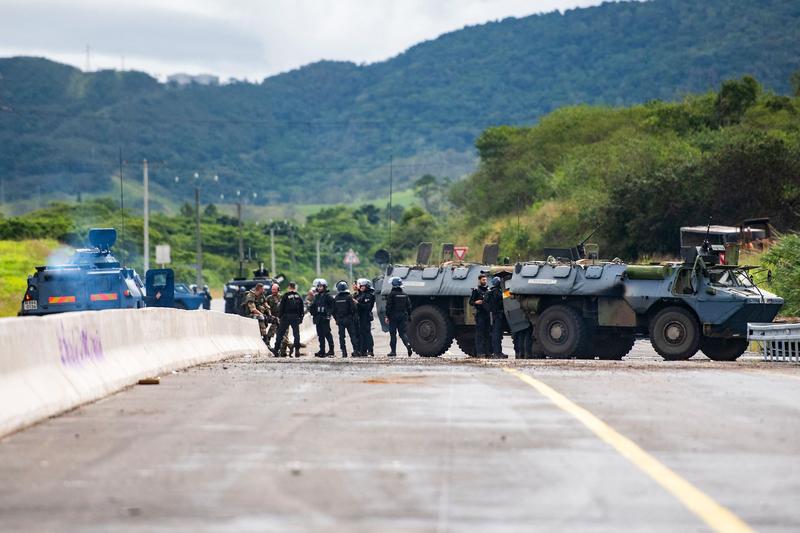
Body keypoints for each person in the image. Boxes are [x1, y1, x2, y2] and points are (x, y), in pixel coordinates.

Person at [271, 281, 305, 357]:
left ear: (289, 287)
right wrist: (301, 318)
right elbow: (302, 308)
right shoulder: (298, 296)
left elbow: (281, 307)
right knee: (296, 334)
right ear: (295, 287)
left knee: (280, 334)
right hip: (295, 317)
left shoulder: (286, 295)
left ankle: (276, 350)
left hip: (286, 317)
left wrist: (280, 317)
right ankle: (297, 351)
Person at [384, 277, 413, 357]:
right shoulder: (404, 295)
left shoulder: (391, 295)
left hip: (393, 316)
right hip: (403, 316)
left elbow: (388, 307)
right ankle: (408, 344)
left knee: (393, 334)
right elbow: (409, 306)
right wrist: (410, 316)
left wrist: (387, 316)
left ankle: (393, 352)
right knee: (403, 333)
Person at [333, 280, 360, 357]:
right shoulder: (349, 297)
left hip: (340, 320)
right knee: (353, 336)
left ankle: (344, 353)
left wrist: (336, 319)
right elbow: (354, 309)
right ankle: (356, 351)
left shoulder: (336, 298)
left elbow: (334, 311)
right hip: (349, 319)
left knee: (342, 337)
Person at [311, 279, 335, 357]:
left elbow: (333, 307)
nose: (319, 288)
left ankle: (331, 350)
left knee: (327, 334)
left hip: (325, 318)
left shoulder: (328, 296)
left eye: (321, 286)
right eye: (318, 286)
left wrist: (329, 315)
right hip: (318, 318)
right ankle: (322, 351)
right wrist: (313, 314)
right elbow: (313, 306)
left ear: (324, 287)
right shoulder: (316, 296)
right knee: (320, 335)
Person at [469, 273, 491, 357]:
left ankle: (487, 352)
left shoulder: (489, 290)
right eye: (483, 280)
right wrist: (476, 302)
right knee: (480, 334)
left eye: (485, 280)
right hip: (480, 314)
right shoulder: (476, 291)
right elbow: (470, 302)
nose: (485, 281)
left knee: (487, 333)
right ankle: (480, 352)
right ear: (480, 280)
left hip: (487, 314)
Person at [266, 283, 290, 357]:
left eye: (275, 289)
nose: (273, 291)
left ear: (278, 290)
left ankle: (283, 351)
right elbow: (266, 308)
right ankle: (275, 350)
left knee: (284, 336)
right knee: (272, 335)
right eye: (272, 289)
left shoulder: (283, 297)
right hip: (274, 320)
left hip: (283, 319)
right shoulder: (269, 298)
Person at [486, 276, 507, 358]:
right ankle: (498, 353)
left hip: (493, 315)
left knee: (495, 334)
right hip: (498, 315)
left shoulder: (491, 291)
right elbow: (503, 298)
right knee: (497, 335)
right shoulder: (497, 292)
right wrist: (509, 292)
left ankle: (496, 352)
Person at [355, 278, 375, 356]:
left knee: (367, 333)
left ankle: (370, 350)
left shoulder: (368, 295)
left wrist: (357, 303)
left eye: (363, 286)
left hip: (365, 316)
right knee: (361, 334)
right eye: (360, 286)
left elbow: (367, 307)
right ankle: (363, 351)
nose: (361, 287)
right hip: (360, 316)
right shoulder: (361, 294)